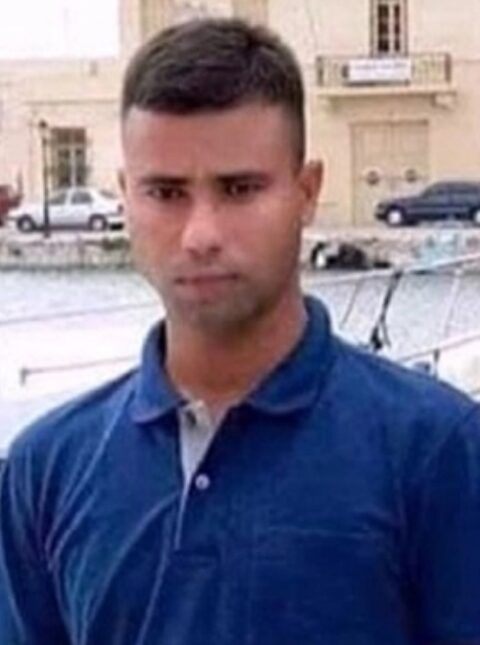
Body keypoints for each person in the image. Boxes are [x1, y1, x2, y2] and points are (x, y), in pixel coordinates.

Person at [1, 17, 480, 645]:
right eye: (166, 192)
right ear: (125, 197)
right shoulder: (44, 469)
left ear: (307, 191)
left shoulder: (439, 450)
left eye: (239, 189)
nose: (201, 233)